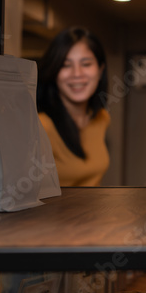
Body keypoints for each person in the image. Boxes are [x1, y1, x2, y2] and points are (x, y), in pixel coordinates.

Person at [37, 26, 110, 186]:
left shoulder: (100, 117)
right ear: (54, 71)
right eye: (65, 65)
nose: (77, 74)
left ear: (100, 70)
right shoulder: (41, 126)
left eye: (86, 64)